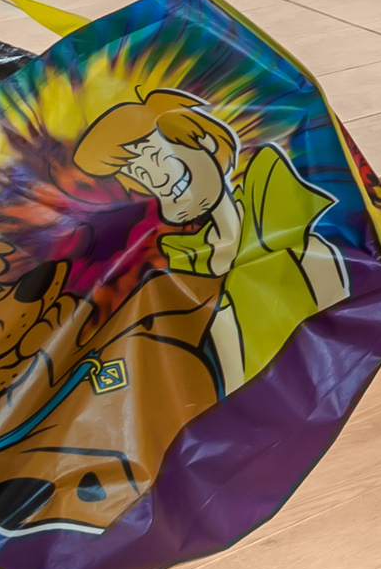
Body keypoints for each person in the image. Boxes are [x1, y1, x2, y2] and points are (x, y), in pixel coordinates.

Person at [74, 89, 348, 394]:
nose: (158, 179)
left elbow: (343, 339)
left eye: (159, 156)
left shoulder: (292, 231)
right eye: (139, 173)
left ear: (204, 141)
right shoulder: (183, 264)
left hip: (327, 387)